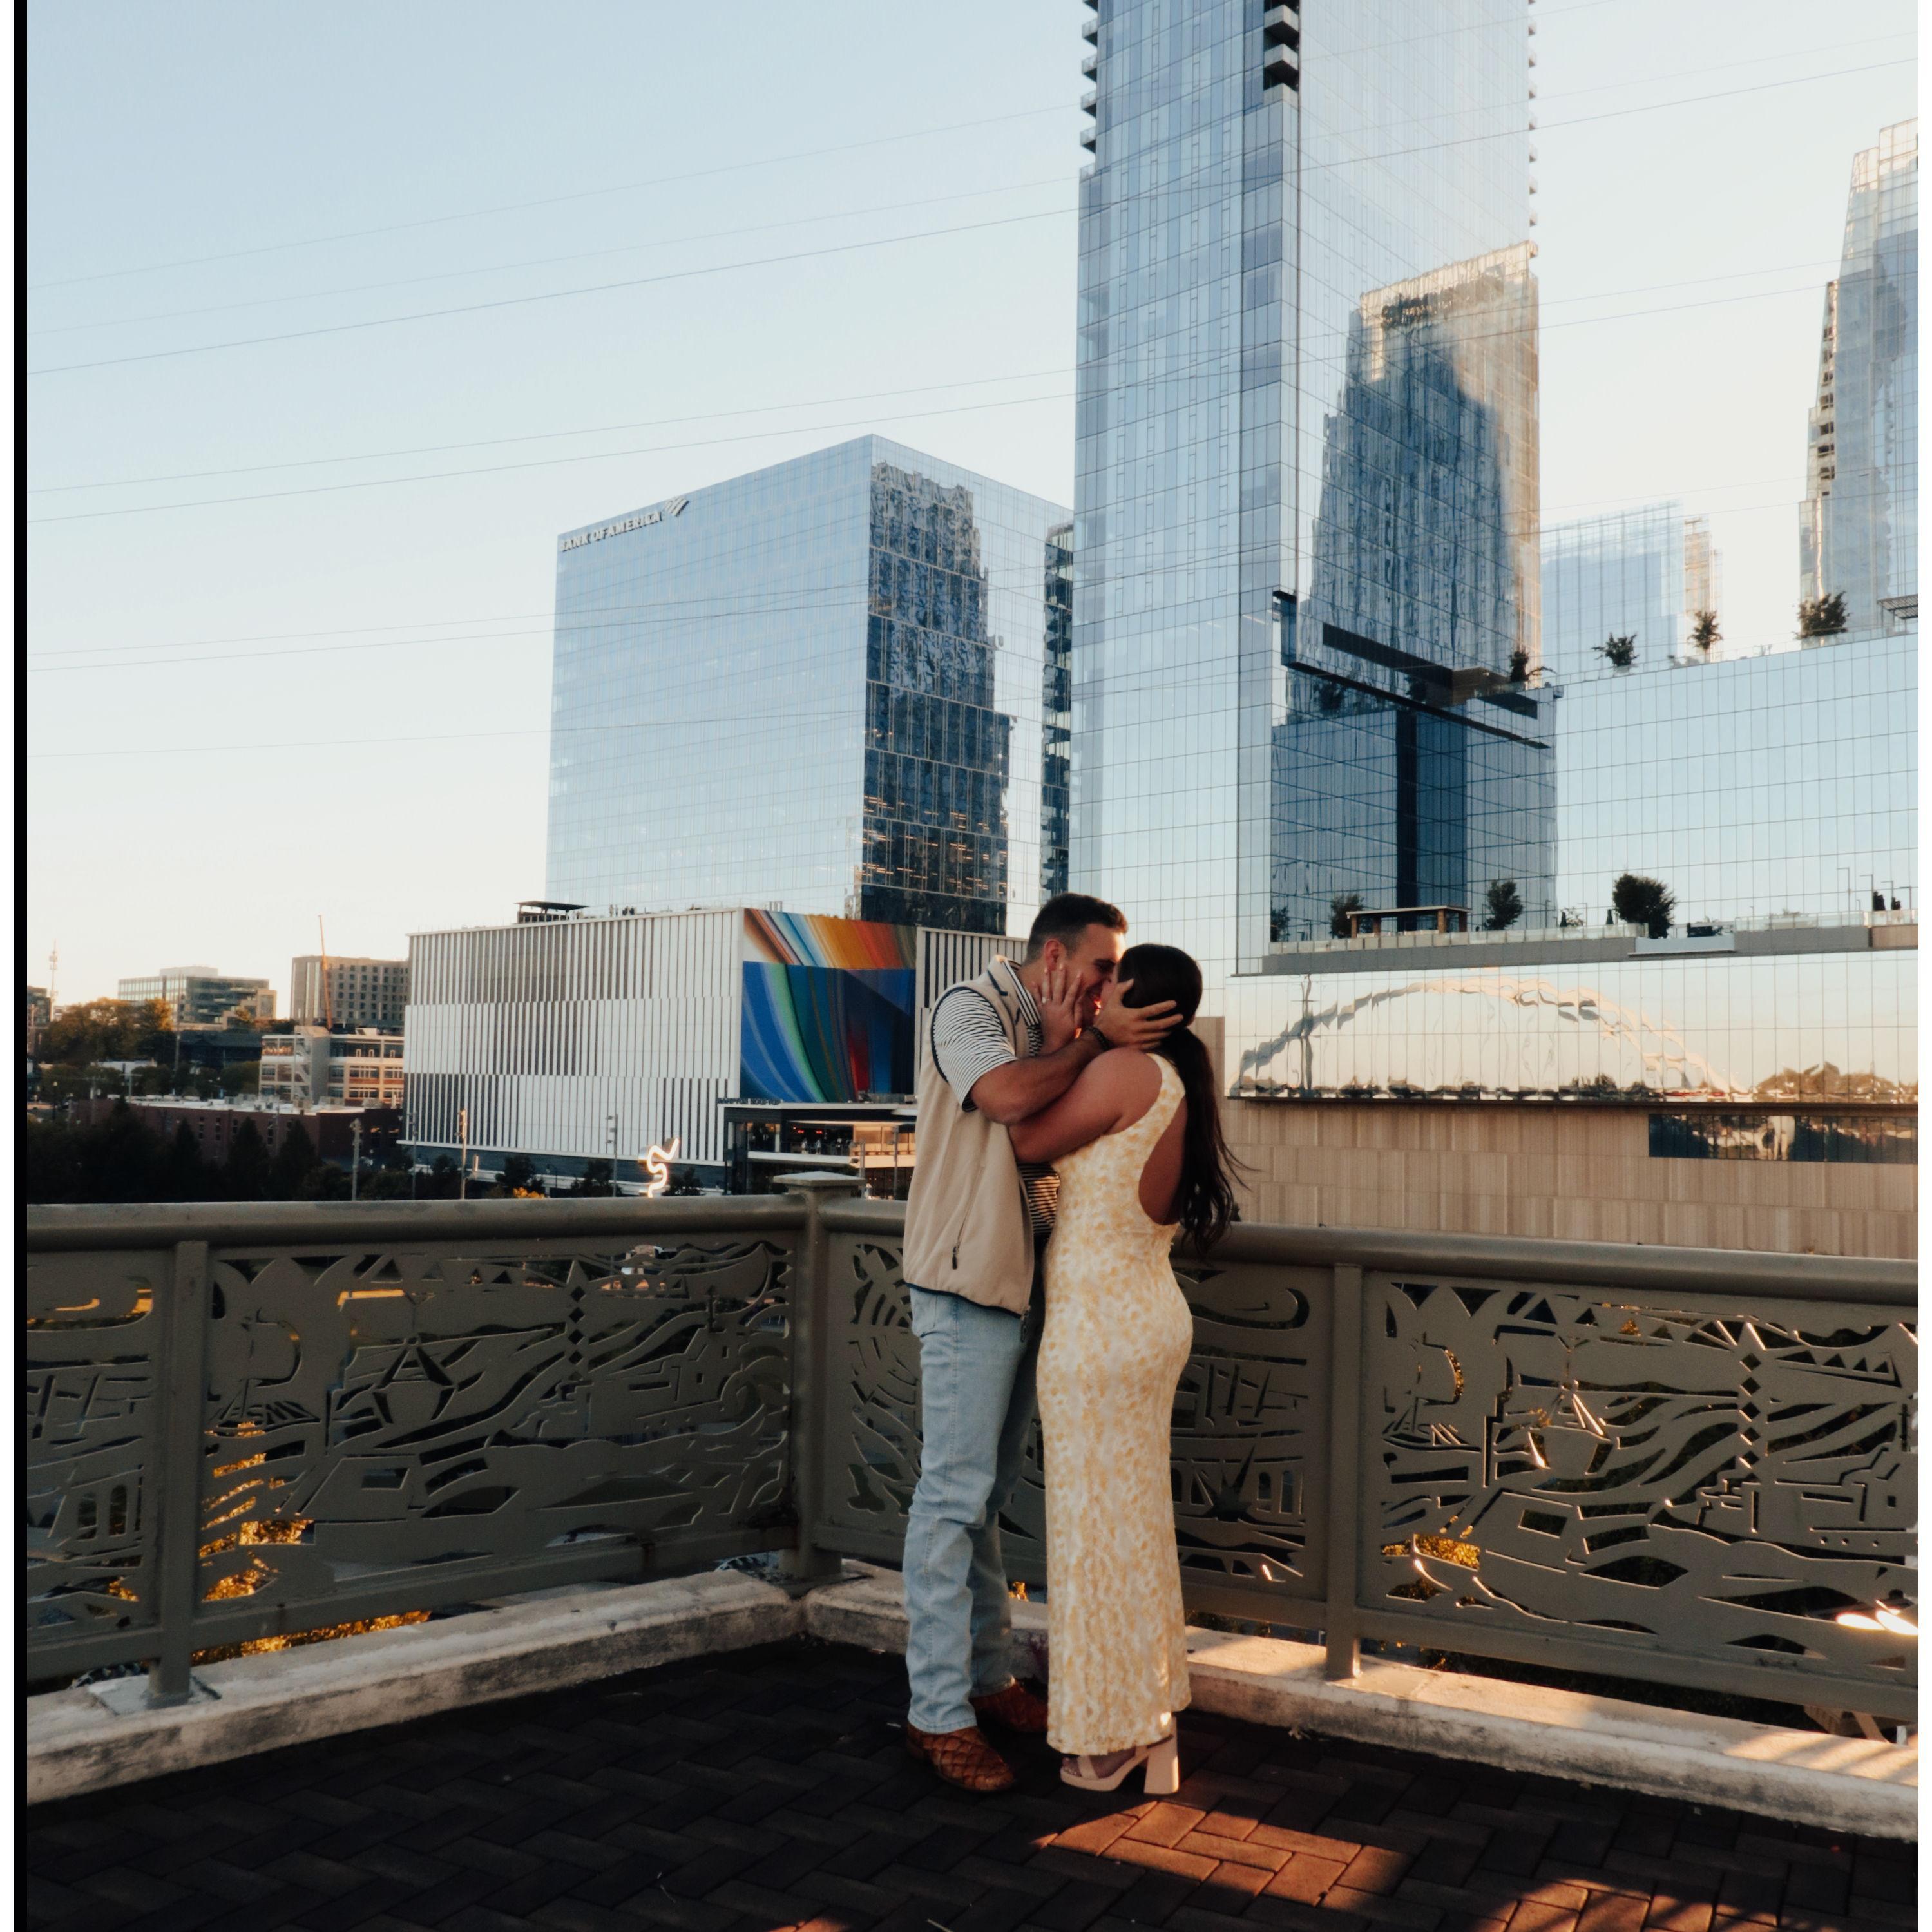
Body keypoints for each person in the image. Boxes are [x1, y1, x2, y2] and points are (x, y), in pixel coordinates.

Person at [899, 894, 1183, 1794]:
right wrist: (1088, 1046)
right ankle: (937, 1714)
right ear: (1055, 958)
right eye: (1103, 968)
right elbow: (1008, 1100)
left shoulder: (1062, 1029)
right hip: (967, 1285)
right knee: (951, 1497)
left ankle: (986, 1681)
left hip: (1028, 1289)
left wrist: (1077, 1041)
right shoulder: (967, 1009)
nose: (1110, 987)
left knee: (987, 1496)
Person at [1009, 942, 1241, 1793]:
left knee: (1092, 1538)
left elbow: (1024, 1136)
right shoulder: (1176, 1082)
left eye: (1112, 983)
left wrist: (1068, 1041)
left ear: (1138, 1000)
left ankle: (1113, 1739)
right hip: (1144, 1320)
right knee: (1132, 1531)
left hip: (1099, 1333)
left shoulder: (1121, 1071)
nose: (1097, 992)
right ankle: (1150, 1719)